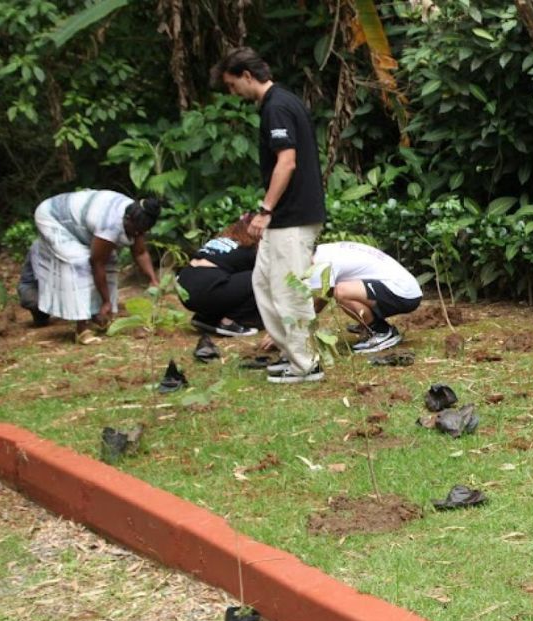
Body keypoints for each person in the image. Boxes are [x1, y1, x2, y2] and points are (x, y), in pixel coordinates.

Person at [211, 47, 327, 384]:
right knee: (264, 283)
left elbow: (287, 161)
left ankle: (308, 364)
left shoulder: (277, 106)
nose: (234, 93)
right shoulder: (280, 103)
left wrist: (265, 209)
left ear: (248, 76)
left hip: (292, 216)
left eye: (233, 85)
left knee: (289, 289)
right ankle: (291, 354)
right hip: (284, 218)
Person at [25, 190, 160, 344]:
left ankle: (97, 314)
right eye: (135, 231)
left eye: (141, 232)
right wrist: (106, 301)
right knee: (79, 264)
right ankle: (82, 328)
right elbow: (97, 263)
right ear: (127, 219)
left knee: (111, 259)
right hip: (53, 218)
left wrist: (153, 279)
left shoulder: (139, 214)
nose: (137, 235)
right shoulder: (110, 224)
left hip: (80, 224)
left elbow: (140, 252)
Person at [307, 241, 422, 354]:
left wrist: (300, 322)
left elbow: (322, 298)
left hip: (403, 292)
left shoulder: (319, 263)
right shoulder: (324, 250)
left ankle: (382, 332)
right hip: (405, 288)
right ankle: (370, 325)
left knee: (341, 291)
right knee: (342, 287)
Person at [178, 214, 261, 337]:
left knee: (230, 281)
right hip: (207, 287)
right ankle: (229, 322)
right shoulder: (249, 248)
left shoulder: (220, 240)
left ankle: (205, 318)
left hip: (184, 287)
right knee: (261, 276)